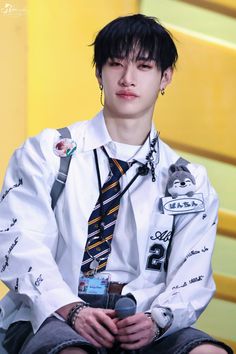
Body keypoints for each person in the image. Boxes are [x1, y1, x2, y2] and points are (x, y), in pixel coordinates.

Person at [0, 14, 233, 354]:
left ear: (165, 77)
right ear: (99, 73)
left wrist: (158, 321)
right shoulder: (48, 152)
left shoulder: (188, 180)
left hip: (146, 322)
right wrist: (73, 309)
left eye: (144, 66)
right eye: (115, 64)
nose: (128, 78)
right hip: (53, 316)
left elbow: (193, 271)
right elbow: (17, 241)